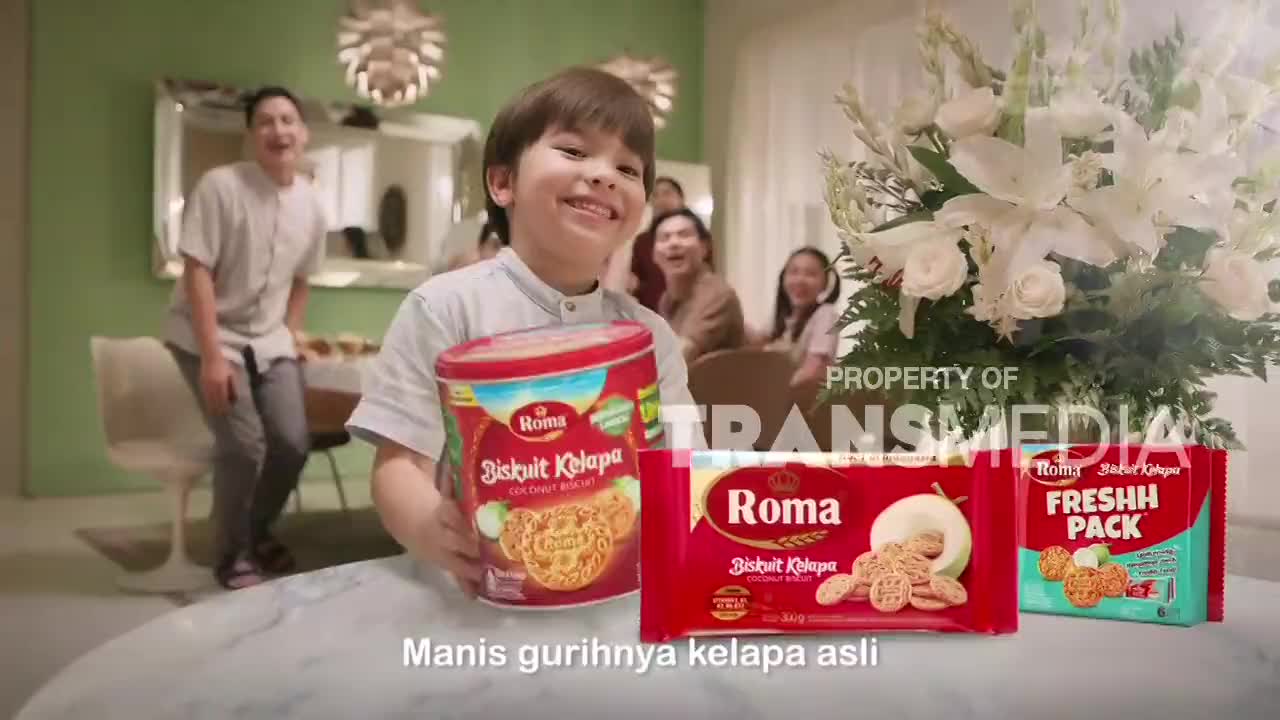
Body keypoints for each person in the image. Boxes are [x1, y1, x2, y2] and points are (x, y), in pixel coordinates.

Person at [345, 67, 704, 597]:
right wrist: (428, 528)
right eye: (575, 153)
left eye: (628, 168)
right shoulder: (444, 307)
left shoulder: (648, 334)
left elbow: (683, 463)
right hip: (481, 593)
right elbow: (397, 467)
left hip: (622, 588)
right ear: (503, 182)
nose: (605, 175)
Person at [163, 86, 326, 590]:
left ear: (304, 132)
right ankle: (231, 554)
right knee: (244, 445)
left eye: (288, 120)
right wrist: (213, 358)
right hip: (206, 335)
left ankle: (253, 531)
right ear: (251, 134)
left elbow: (302, 278)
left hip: (270, 339)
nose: (279, 131)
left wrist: (291, 335)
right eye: (266, 122)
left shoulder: (313, 205)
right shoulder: (221, 187)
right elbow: (197, 271)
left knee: (293, 443)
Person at [652, 208, 746, 364]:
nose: (673, 243)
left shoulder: (716, 294)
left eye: (684, 235)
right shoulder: (666, 299)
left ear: (704, 248)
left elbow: (678, 357)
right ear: (654, 255)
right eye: (664, 238)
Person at [764, 246, 842, 388]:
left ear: (825, 283)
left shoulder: (826, 314)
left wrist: (773, 392)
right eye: (793, 272)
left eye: (810, 274)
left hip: (804, 403)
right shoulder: (782, 319)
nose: (800, 280)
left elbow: (813, 370)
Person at [627, 176, 686, 309]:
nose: (661, 200)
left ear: (681, 199)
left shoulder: (695, 238)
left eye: (667, 193)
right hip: (651, 315)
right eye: (655, 195)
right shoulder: (643, 241)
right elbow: (635, 281)